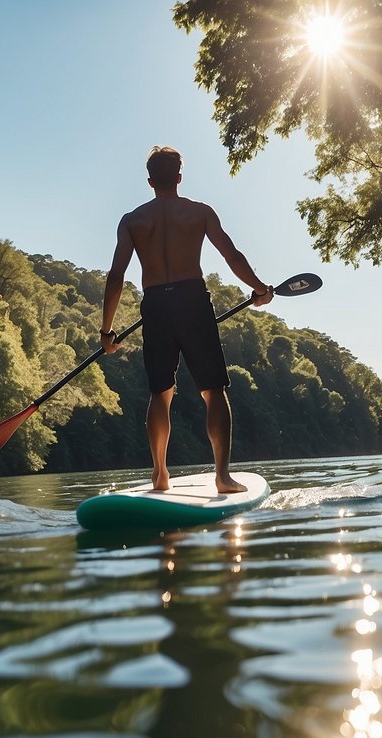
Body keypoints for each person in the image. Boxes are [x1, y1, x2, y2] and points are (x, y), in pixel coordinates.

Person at [99, 146, 273, 493]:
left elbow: (116, 275)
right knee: (213, 391)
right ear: (179, 177)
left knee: (160, 394)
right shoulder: (200, 213)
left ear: (149, 181)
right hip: (192, 301)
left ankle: (160, 473)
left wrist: (107, 331)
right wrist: (259, 289)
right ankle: (222, 476)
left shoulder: (132, 220)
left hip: (156, 306)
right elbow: (231, 255)